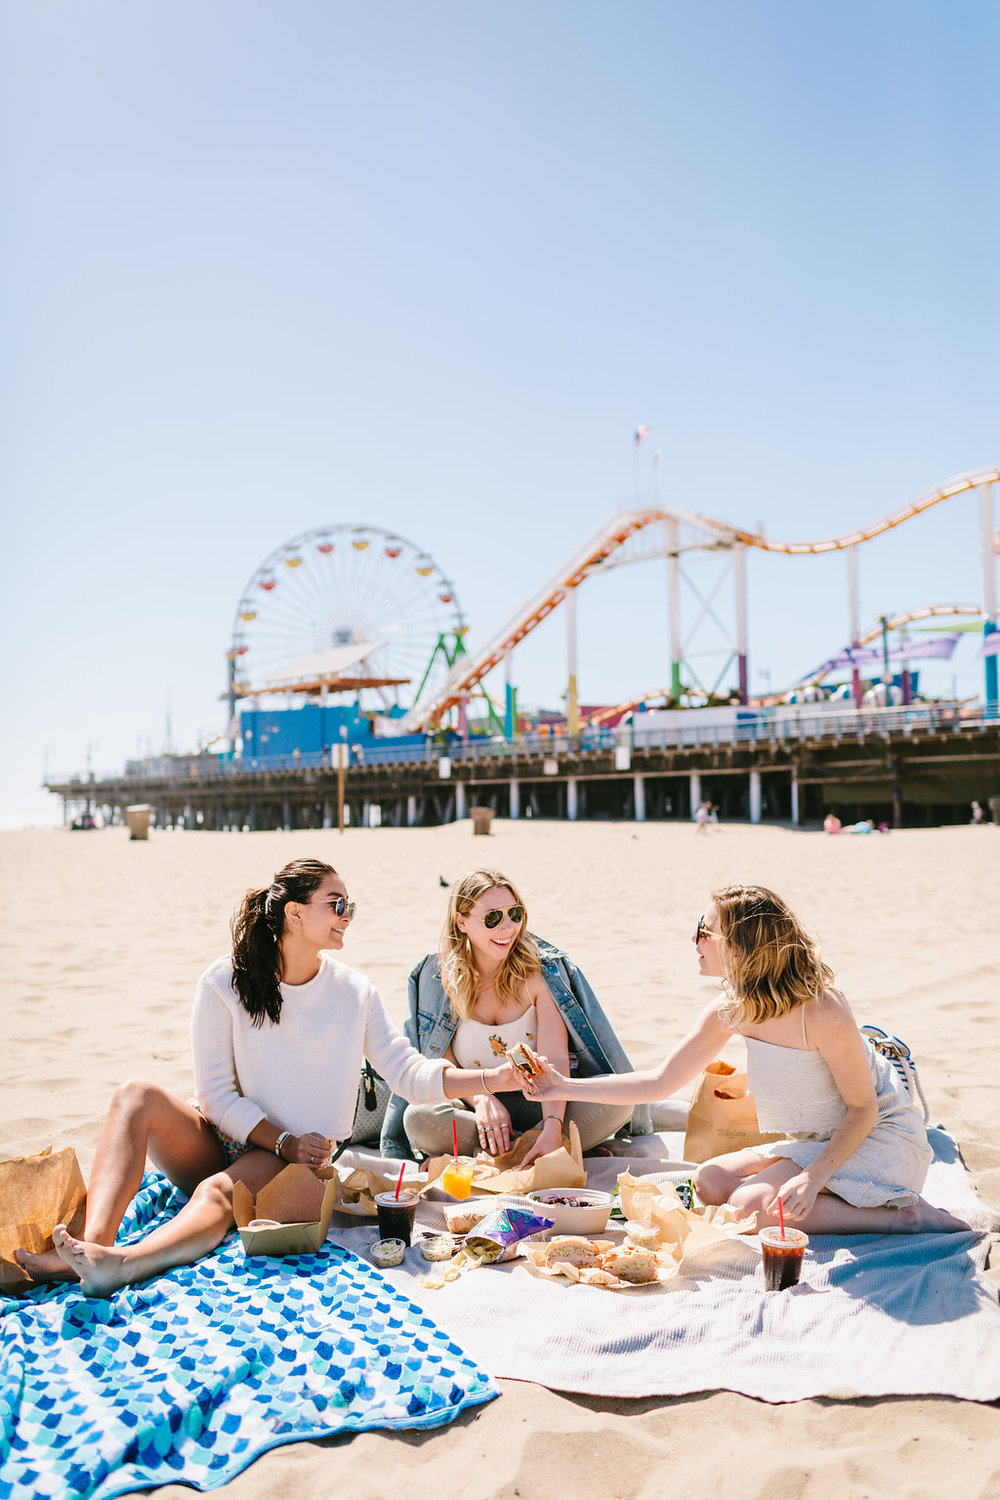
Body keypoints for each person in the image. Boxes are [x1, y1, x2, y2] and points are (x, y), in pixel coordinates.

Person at [16, 858, 519, 1296]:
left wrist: (491, 1079)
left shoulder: (354, 992)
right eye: (336, 904)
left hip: (300, 1159)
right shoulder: (225, 981)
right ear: (295, 913)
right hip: (235, 1135)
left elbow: (409, 1074)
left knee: (217, 1191)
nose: (348, 916)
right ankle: (91, 1248)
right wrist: (281, 1140)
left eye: (351, 906)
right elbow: (213, 1095)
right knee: (134, 1095)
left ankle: (123, 1266)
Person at [524, 883, 967, 1234]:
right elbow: (659, 1082)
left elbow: (864, 1108)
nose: (694, 939)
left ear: (739, 946)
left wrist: (812, 1178)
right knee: (710, 1181)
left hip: (877, 1138)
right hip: (819, 1135)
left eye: (704, 931)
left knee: (749, 1205)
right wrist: (560, 1087)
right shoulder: (731, 1010)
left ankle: (904, 1218)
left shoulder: (821, 1009)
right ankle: (805, 1192)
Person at [380, 868, 650, 1163]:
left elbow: (556, 1060)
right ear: (462, 921)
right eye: (492, 918)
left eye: (515, 914)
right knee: (418, 1118)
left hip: (544, 1102)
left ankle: (517, 1151)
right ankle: (553, 1152)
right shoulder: (439, 978)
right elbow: (442, 1063)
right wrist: (483, 1098)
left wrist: (551, 1126)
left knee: (619, 1104)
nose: (508, 928)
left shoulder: (539, 973)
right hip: (475, 1111)